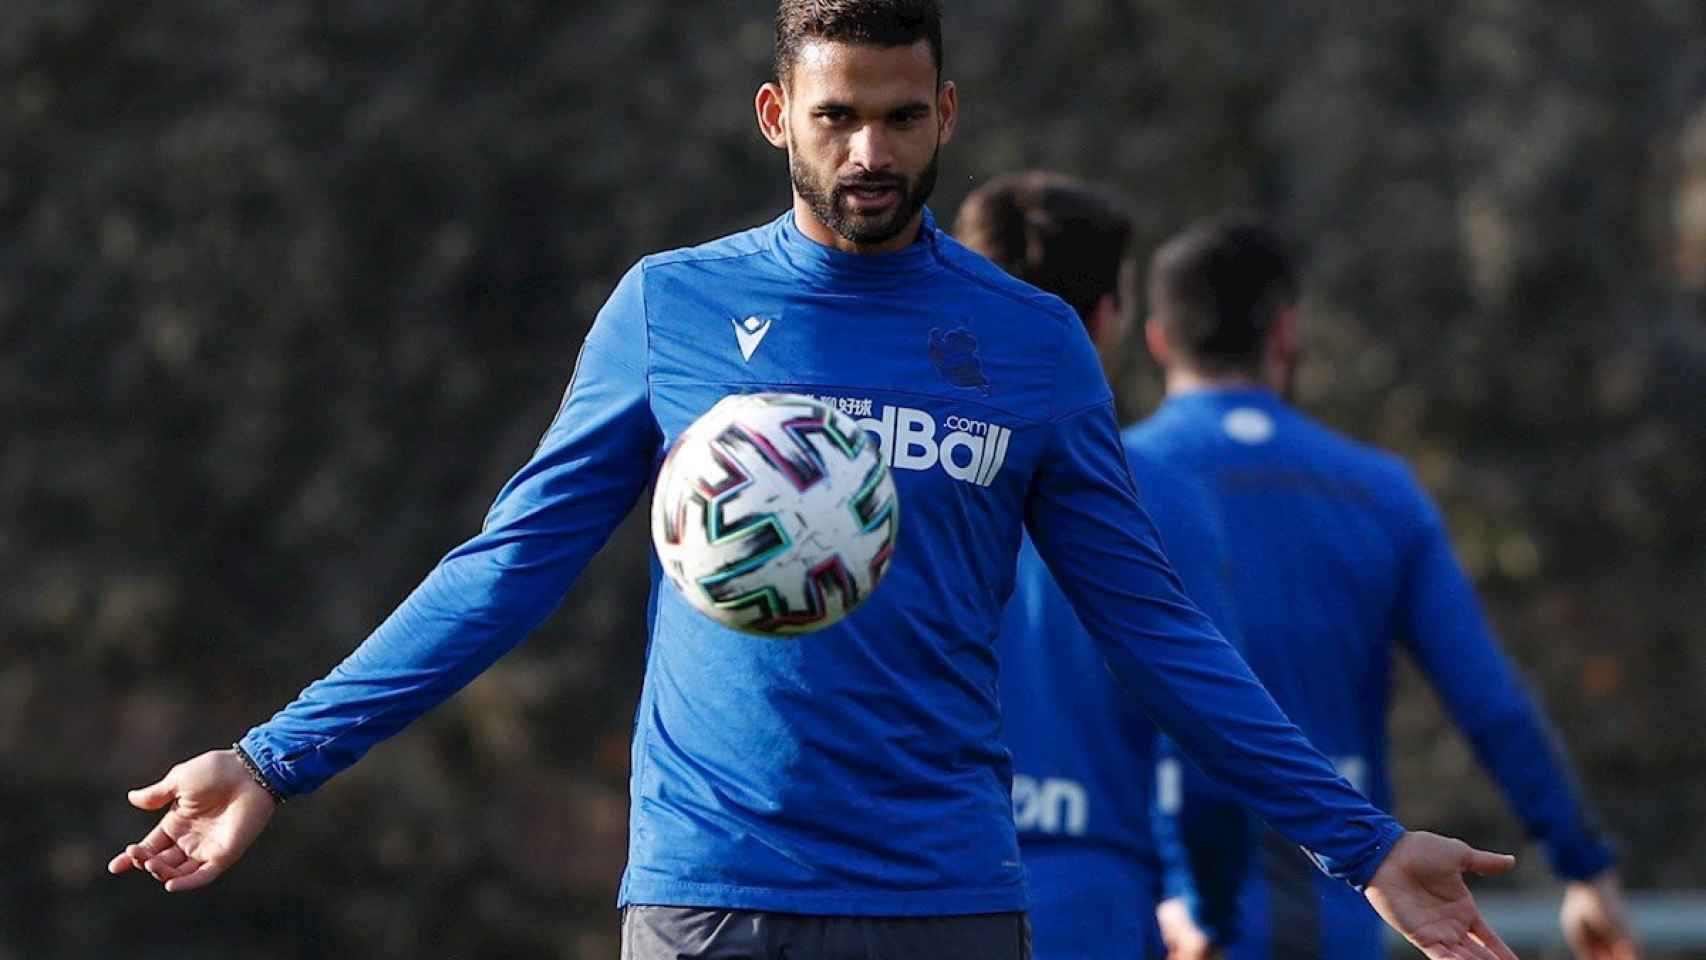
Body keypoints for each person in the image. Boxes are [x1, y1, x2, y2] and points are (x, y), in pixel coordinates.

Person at [109, 4, 1522, 959]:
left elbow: (1153, 629)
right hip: (710, 894)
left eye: (903, 119)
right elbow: (504, 569)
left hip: (944, 899)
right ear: (776, 110)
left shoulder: (1030, 348)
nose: (871, 154)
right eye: (840, 116)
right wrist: (275, 757)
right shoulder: (668, 308)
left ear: (946, 113)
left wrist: (1360, 843)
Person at [1129, 215, 1641, 960]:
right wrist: (1584, 864)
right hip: (1337, 882)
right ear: (1286, 332)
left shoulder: (1104, 483)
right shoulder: (1378, 493)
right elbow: (1489, 700)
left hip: (1150, 892)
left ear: (1158, 339)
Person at [955, 171, 1245, 960]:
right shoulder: (1159, 492)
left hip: (915, 883)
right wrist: (1203, 901)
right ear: (1110, 319)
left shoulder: (891, 469)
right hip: (1093, 898)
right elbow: (1208, 735)